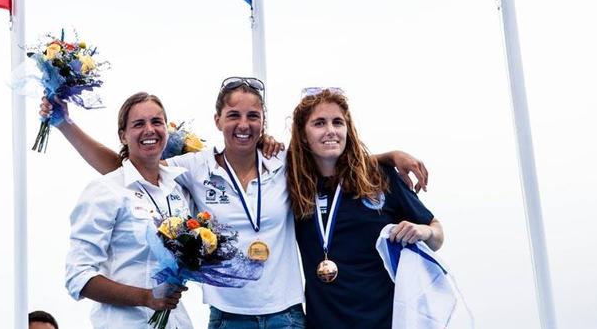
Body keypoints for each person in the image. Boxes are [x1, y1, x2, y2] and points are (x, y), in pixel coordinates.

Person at [46, 77, 428, 329]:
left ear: (263, 122)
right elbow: (129, 166)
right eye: (233, 115)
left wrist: (389, 156)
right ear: (217, 120)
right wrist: (64, 124)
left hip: (287, 317)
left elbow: (335, 155)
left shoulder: (285, 162)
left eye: (252, 116)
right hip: (228, 318)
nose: (243, 124)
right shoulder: (192, 168)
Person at [287, 87, 443, 329]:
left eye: (338, 122)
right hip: (322, 323)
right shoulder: (294, 186)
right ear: (303, 135)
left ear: (348, 130)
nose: (330, 131)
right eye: (319, 123)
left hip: (385, 321)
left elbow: (437, 235)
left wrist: (424, 231)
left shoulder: (379, 178)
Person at [65, 92, 193, 328]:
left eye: (157, 122)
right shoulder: (106, 190)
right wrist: (146, 297)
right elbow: (78, 277)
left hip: (177, 322)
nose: (149, 130)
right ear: (123, 136)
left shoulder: (178, 190)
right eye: (138, 124)